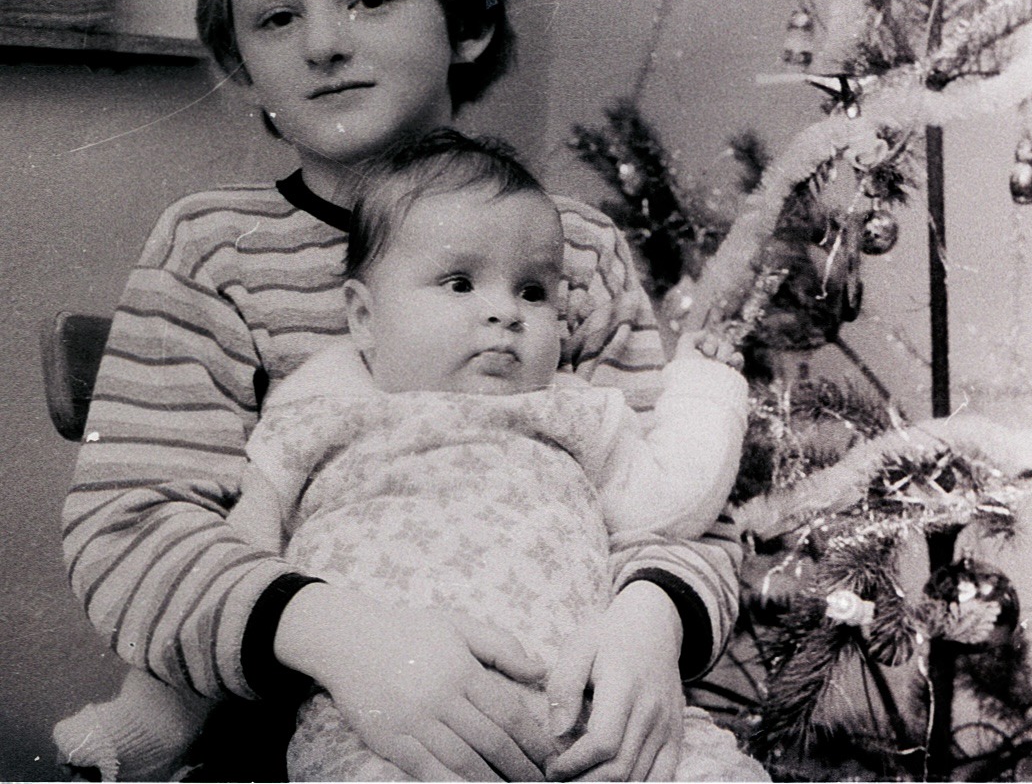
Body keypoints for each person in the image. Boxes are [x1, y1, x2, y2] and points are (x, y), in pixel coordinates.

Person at [62, 0, 741, 782]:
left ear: (466, 24)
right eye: (276, 18)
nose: (324, 44)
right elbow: (130, 529)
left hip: (570, 712)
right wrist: (344, 640)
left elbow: (674, 506)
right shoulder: (215, 249)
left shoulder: (574, 251)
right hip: (300, 737)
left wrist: (650, 623)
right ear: (243, 66)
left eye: (370, 0)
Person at [58, 131, 766, 782]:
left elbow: (672, 504)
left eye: (532, 291)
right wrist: (152, 720)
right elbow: (237, 555)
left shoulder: (577, 409)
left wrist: (706, 390)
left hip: (584, 706)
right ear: (363, 318)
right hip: (385, 726)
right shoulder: (320, 411)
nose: (505, 312)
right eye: (460, 284)